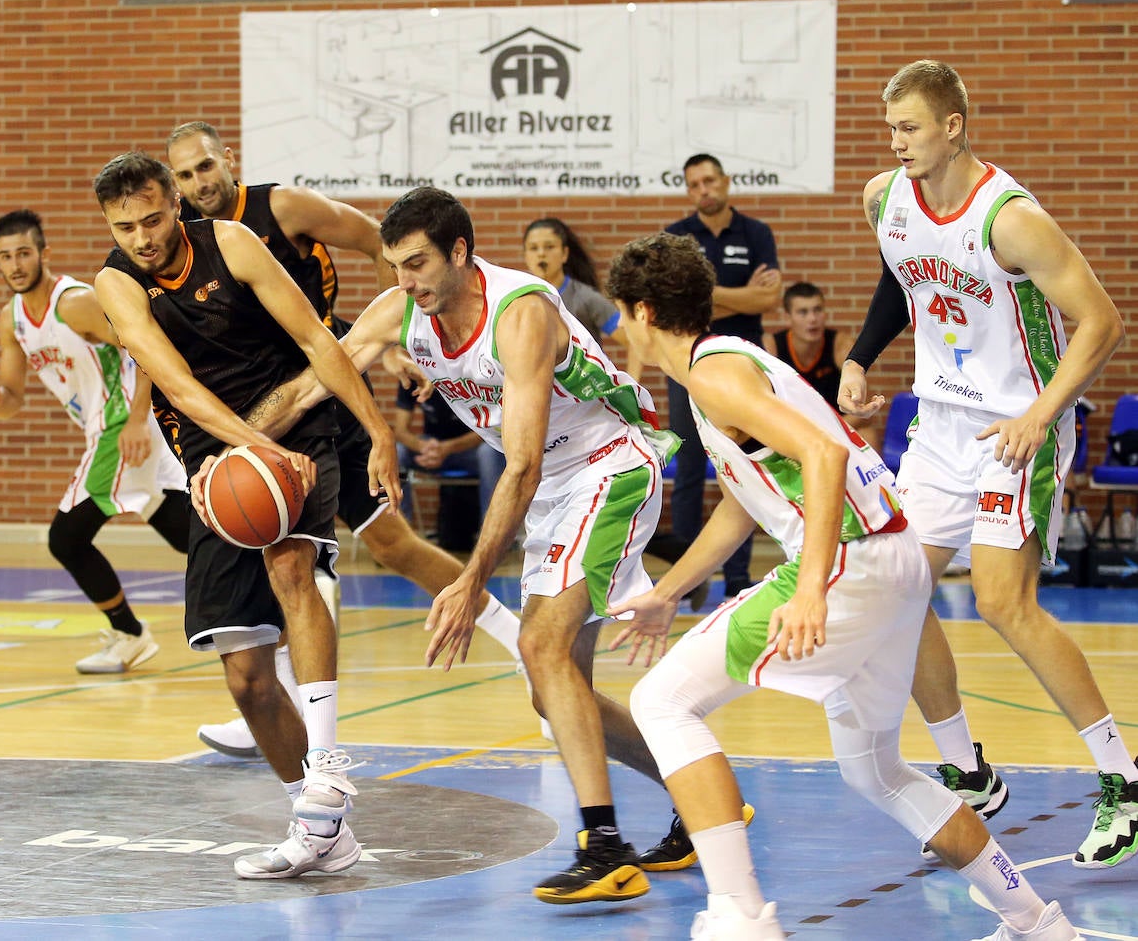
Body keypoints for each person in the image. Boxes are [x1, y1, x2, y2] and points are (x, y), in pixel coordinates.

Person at [607, 230, 1083, 941]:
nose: (617, 330)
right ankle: (1035, 920)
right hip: (893, 561)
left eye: (619, 315)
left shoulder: (714, 376)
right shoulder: (732, 369)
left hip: (851, 561)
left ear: (644, 312)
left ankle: (740, 915)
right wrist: (669, 590)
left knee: (661, 701)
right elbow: (745, 503)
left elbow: (825, 455)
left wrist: (809, 592)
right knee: (878, 772)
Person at [277, 186, 742, 905]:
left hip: (609, 464)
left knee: (544, 649)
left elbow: (519, 464)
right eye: (396, 266)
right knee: (554, 690)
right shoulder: (404, 308)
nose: (406, 281)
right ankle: (702, 792)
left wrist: (470, 580)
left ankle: (603, 849)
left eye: (419, 263)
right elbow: (317, 381)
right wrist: (232, 440)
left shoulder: (520, 313)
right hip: (557, 486)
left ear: (461, 252)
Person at [838, 60, 1136, 873]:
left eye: (910, 127)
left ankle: (1126, 780)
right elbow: (902, 281)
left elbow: (1102, 322)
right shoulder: (884, 199)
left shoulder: (1011, 219)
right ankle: (969, 770)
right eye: (891, 127)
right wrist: (861, 359)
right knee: (893, 585)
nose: (896, 142)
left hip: (1018, 428)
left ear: (953, 126)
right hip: (938, 429)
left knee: (1005, 603)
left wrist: (1042, 415)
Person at [163, 121, 522, 758]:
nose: (199, 183)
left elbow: (378, 244)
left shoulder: (283, 208)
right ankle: (270, 701)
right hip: (263, 411)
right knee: (279, 549)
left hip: (323, 396)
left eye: (206, 167)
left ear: (229, 160)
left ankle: (515, 641)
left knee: (376, 546)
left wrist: (393, 338)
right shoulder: (185, 245)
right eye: (186, 175)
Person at [91, 151, 401, 879]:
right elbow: (180, 388)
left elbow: (317, 341)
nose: (142, 237)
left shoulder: (231, 243)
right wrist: (258, 451)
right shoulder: (116, 283)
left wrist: (378, 429)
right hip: (216, 452)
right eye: (124, 226)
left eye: (153, 218)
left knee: (294, 570)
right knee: (245, 677)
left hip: (298, 421)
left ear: (175, 203)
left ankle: (325, 768)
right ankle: (324, 831)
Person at [0, 209, 190, 675]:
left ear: (44, 254)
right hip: (108, 425)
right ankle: (275, 574)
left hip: (123, 422)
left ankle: (129, 634)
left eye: (24, 254)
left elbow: (147, 343)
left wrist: (137, 420)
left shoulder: (74, 303)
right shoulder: (10, 318)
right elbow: (13, 396)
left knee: (66, 538)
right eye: (5, 257)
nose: (15, 265)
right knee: (181, 530)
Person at [660, 153, 783, 599]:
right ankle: (689, 581)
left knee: (743, 464)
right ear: (688, 191)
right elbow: (675, 304)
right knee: (690, 468)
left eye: (710, 180)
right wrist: (742, 295)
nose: (704, 189)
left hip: (744, 365)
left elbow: (768, 300)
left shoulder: (756, 233)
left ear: (726, 182)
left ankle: (736, 578)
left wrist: (709, 297)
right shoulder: (675, 237)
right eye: (694, 184)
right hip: (688, 366)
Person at [764, 282, 876, 446]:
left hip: (836, 430)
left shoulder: (841, 345)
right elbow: (763, 404)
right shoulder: (771, 347)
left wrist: (828, 433)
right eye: (803, 312)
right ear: (788, 317)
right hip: (790, 430)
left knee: (867, 433)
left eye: (817, 310)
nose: (812, 319)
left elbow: (862, 406)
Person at [393, 383, 499, 527]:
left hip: (469, 451)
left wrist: (447, 448)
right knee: (397, 452)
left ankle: (493, 529)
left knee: (490, 451)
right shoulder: (411, 375)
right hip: (431, 447)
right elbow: (400, 431)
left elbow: (488, 431)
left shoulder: (471, 372)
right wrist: (423, 447)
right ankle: (400, 530)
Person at [521, 217, 625, 349]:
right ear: (525, 255)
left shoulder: (585, 297)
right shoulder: (516, 297)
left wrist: (632, 370)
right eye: (533, 248)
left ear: (564, 253)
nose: (541, 254)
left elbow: (633, 342)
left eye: (549, 247)